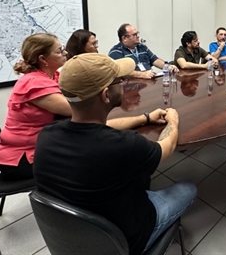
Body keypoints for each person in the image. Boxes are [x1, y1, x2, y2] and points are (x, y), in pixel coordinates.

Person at [33, 54, 197, 255]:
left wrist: (144, 118)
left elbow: (101, 127)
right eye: (120, 80)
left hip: (73, 236)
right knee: (188, 188)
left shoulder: (47, 135)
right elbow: (167, 147)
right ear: (105, 95)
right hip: (123, 241)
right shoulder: (124, 145)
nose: (124, 84)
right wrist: (172, 121)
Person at [0, 33, 71, 179]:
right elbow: (73, 110)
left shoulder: (51, 75)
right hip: (20, 158)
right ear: (43, 59)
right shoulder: (34, 83)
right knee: (84, 158)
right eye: (59, 50)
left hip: (39, 144)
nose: (65, 53)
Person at [108, 23, 178, 79]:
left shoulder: (142, 47)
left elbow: (155, 60)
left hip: (148, 82)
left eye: (137, 33)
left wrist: (168, 67)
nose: (138, 36)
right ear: (124, 38)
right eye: (134, 35)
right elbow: (121, 71)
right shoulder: (116, 52)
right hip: (131, 87)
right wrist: (141, 74)